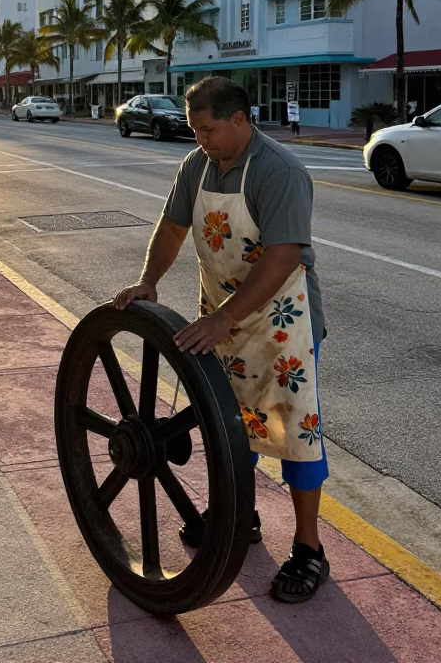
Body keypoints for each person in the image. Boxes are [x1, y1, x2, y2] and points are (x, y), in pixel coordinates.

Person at [115, 75, 329, 604]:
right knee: (230, 424)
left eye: (207, 129)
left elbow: (282, 258)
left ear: (239, 120)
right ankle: (241, 516)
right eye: (194, 130)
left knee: (294, 431)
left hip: (284, 321)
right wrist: (150, 280)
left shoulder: (279, 172)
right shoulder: (198, 166)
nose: (200, 140)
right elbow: (171, 228)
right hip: (223, 318)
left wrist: (224, 319)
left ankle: (308, 550)